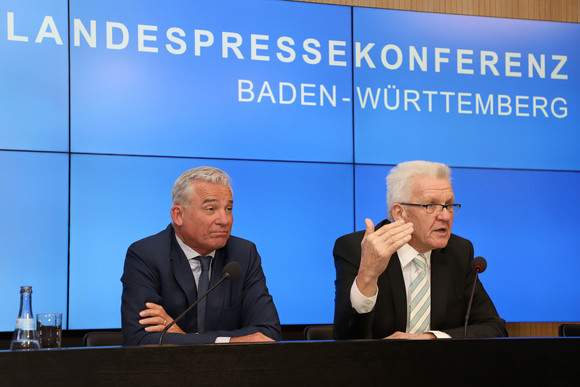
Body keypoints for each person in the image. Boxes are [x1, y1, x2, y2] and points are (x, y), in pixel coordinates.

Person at [333, 160, 507, 339]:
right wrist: (367, 277)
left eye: (449, 205)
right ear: (400, 213)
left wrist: (430, 339)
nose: (446, 216)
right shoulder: (358, 250)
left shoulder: (459, 252)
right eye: (430, 205)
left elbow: (494, 328)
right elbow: (345, 341)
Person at [121, 166, 281, 345]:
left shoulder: (244, 253)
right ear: (178, 215)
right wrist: (229, 340)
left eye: (229, 209)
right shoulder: (146, 255)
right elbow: (140, 338)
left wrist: (182, 337)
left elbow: (268, 333)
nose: (224, 220)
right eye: (211, 209)